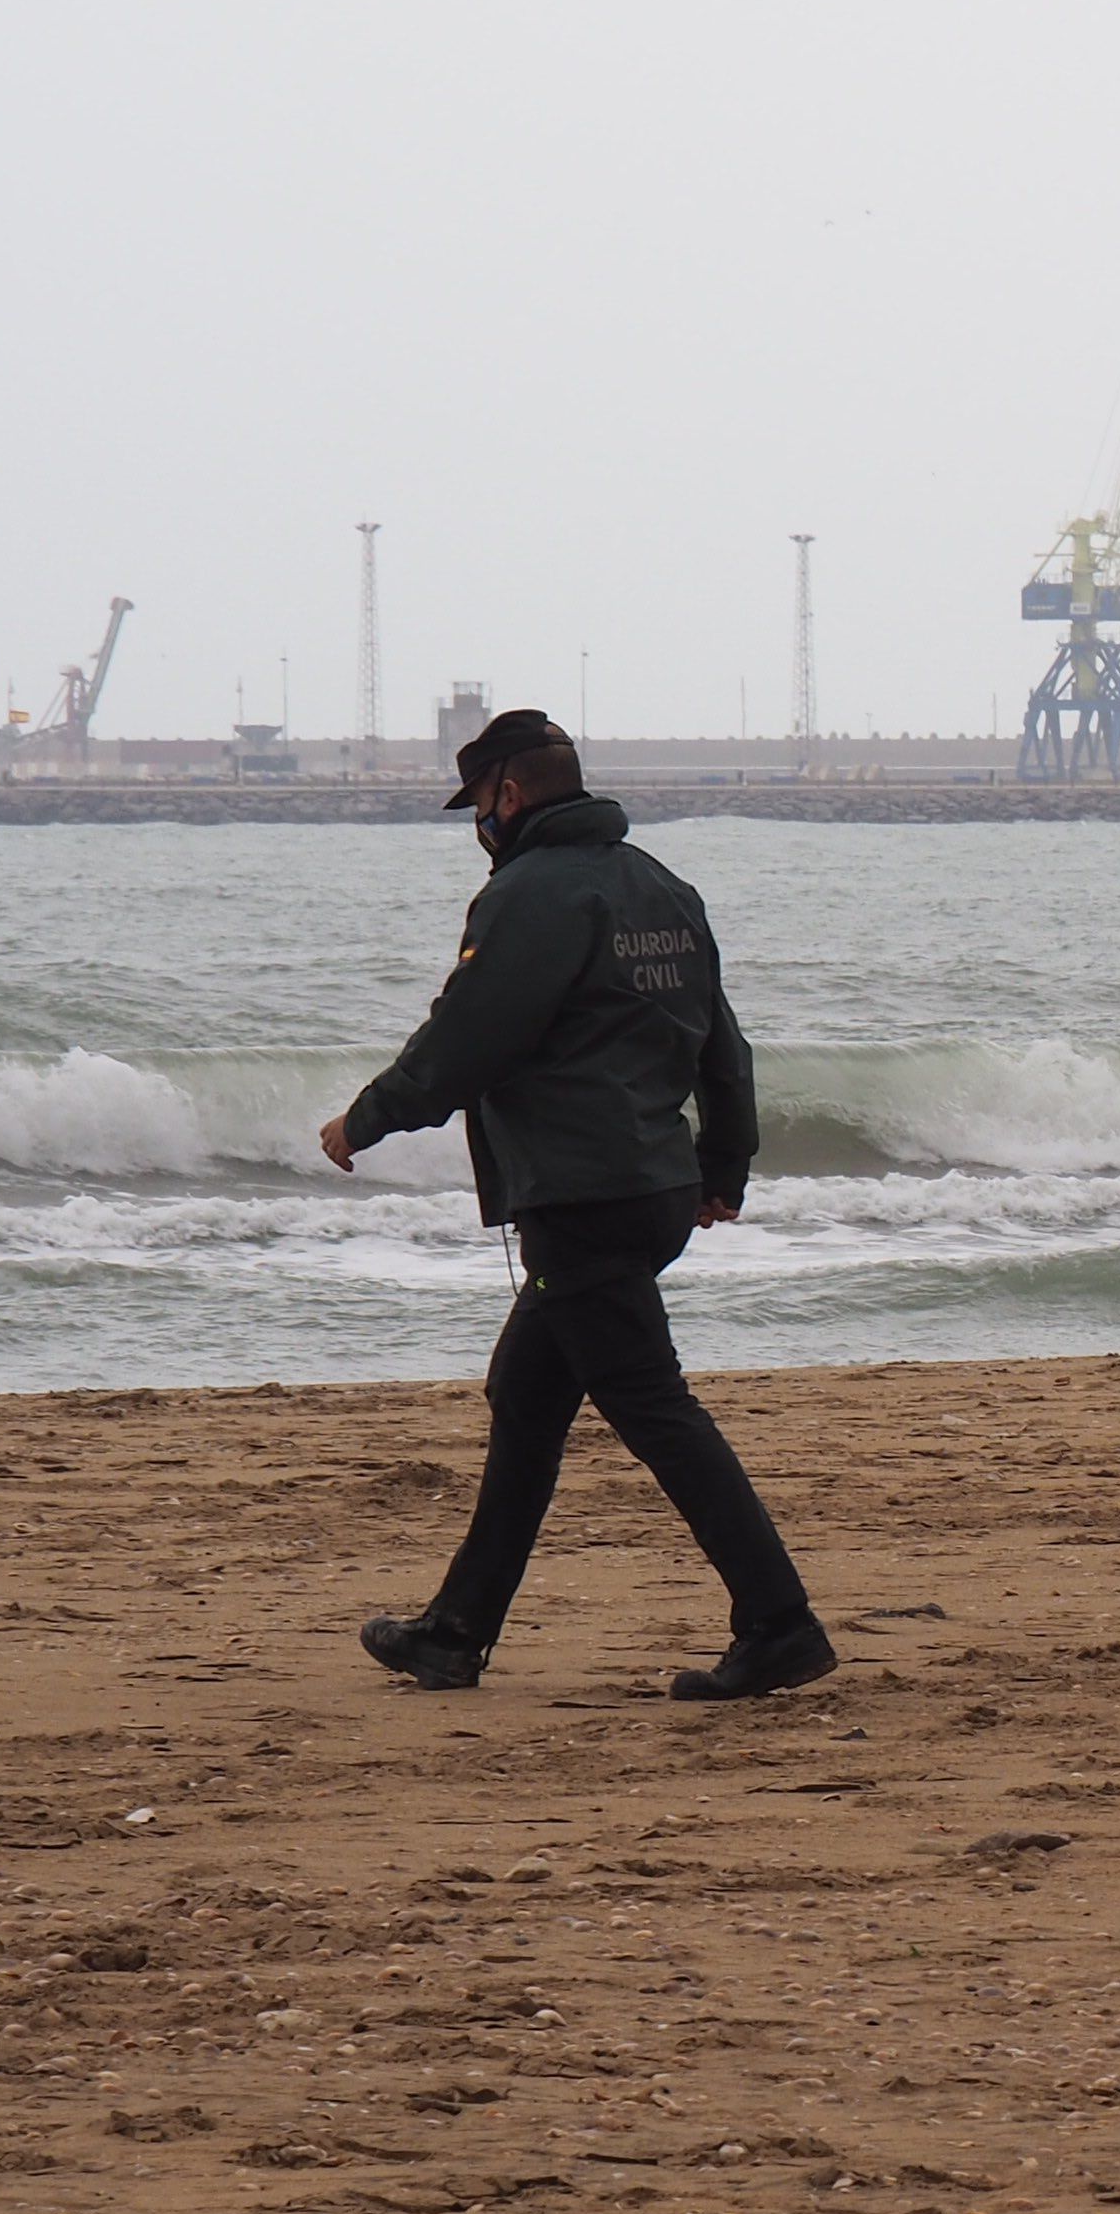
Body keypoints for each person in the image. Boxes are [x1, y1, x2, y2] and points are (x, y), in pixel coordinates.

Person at [321, 709, 837, 1698]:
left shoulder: (529, 898)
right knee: (527, 1394)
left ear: (506, 794)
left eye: (478, 801)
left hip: (583, 1193)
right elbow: (723, 1045)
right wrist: (724, 1166)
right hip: (653, 1185)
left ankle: (781, 1623)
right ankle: (453, 1630)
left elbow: (468, 1036)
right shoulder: (662, 888)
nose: (478, 820)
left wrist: (368, 1119)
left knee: (655, 1408)